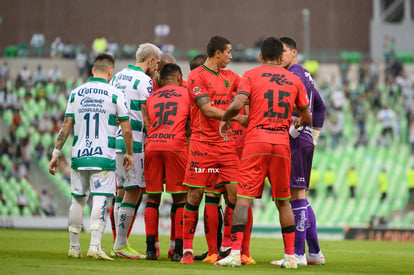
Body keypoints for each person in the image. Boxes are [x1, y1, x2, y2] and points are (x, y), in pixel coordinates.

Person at [215, 37, 311, 269]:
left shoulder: (251, 75)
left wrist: (226, 118)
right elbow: (307, 115)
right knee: (284, 202)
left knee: (243, 200)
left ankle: (236, 253)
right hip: (281, 144)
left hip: (256, 142)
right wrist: (298, 121)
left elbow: (237, 105)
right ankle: (290, 257)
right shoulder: (293, 79)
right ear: (281, 57)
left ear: (261, 56)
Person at [48, 53, 133, 260]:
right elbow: (126, 129)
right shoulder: (114, 94)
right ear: (110, 71)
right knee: (100, 197)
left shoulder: (76, 93)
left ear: (93, 70)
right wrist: (129, 153)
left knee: (78, 200)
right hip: (103, 155)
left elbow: (66, 127)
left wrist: (55, 154)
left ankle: (74, 247)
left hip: (79, 155)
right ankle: (94, 246)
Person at [180, 35, 245, 264]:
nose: (230, 56)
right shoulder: (196, 76)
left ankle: (227, 245)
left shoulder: (230, 76)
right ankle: (187, 250)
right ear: (218, 53)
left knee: (237, 195)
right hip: (202, 147)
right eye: (228, 52)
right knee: (195, 195)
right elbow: (207, 110)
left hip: (226, 147)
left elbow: (249, 91)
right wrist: (238, 118)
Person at [270, 37, 326, 267]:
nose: (280, 56)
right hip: (303, 138)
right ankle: (313, 252)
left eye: (284, 51)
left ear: (294, 52)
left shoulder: (293, 75)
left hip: (294, 138)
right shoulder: (304, 74)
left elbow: (297, 108)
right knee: (300, 194)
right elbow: (320, 106)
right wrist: (314, 136)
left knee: (296, 196)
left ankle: (298, 255)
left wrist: (301, 134)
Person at [110, 43, 161, 259]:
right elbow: (145, 112)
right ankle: (120, 245)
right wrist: (155, 134)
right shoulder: (144, 80)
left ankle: (118, 241)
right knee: (134, 190)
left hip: (115, 138)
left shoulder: (119, 76)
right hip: (134, 140)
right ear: (150, 60)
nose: (157, 68)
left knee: (122, 190)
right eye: (156, 63)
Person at [143, 63, 190, 261]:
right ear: (180, 77)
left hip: (152, 145)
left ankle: (151, 249)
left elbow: (147, 121)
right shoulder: (187, 94)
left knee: (153, 198)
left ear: (160, 80)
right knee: (180, 199)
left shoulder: (152, 97)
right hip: (175, 146)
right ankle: (177, 249)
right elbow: (190, 124)